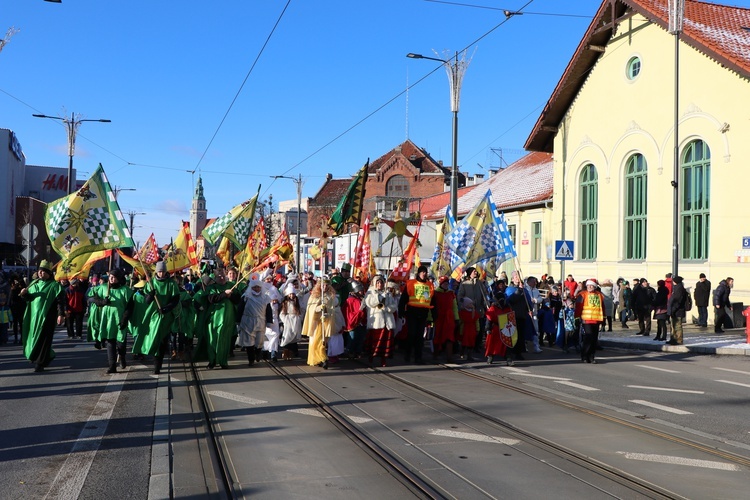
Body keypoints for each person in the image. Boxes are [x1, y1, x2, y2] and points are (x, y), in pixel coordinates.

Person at [133, 261, 181, 375]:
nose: (161, 273)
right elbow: (146, 300)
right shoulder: (151, 283)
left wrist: (166, 308)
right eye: (159, 271)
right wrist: (150, 295)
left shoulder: (171, 283)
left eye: (163, 271)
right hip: (154, 316)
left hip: (166, 316)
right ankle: (154, 362)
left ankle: (158, 365)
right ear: (156, 272)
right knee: (154, 339)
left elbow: (175, 299)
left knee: (163, 340)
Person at [19, 260, 66, 372]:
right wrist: (24, 294)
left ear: (49, 273)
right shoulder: (34, 284)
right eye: (40, 271)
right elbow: (29, 299)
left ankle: (40, 363)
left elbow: (60, 302)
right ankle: (38, 355)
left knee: (44, 340)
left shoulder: (55, 286)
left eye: (44, 271)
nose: (41, 273)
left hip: (48, 317)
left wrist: (61, 314)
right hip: (34, 318)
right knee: (34, 337)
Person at [89, 269, 134, 373]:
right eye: (110, 277)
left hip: (119, 319)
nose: (111, 279)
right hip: (107, 320)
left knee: (121, 343)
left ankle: (122, 356)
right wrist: (102, 302)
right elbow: (93, 298)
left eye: (114, 277)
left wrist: (124, 319)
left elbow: (129, 307)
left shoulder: (125, 290)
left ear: (119, 278)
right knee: (110, 342)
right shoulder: (104, 287)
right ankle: (112, 365)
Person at [398, 265, 434, 365]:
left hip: (423, 314)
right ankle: (408, 354)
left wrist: (434, 316)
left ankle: (418, 357)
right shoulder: (410, 283)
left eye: (425, 272)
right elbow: (403, 299)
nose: (424, 273)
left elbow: (432, 301)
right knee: (411, 335)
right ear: (418, 273)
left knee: (419, 337)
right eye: (422, 272)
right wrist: (401, 312)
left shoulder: (430, 285)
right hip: (412, 313)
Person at [302, 275, 337, 369]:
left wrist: (327, 311)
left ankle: (321, 359)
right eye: (323, 285)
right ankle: (323, 359)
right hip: (316, 323)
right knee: (316, 342)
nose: (324, 287)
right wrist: (318, 308)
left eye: (326, 286)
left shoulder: (330, 296)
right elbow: (310, 309)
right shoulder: (315, 295)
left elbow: (332, 308)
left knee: (323, 342)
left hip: (326, 322)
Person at [363, 274, 397, 367]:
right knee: (375, 342)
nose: (379, 284)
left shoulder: (388, 293)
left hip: (387, 321)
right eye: (377, 282)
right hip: (376, 322)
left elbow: (394, 306)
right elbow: (370, 303)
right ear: (374, 283)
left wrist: (388, 308)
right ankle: (371, 356)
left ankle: (384, 359)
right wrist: (379, 298)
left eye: (381, 282)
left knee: (386, 343)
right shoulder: (370, 293)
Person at [238, 278, 271, 366]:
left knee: (259, 340)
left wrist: (269, 321)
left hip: (260, 321)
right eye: (254, 287)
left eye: (258, 287)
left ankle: (258, 352)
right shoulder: (246, 297)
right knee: (249, 341)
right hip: (248, 321)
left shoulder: (265, 298)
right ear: (251, 288)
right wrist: (238, 320)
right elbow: (240, 309)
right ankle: (251, 359)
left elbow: (268, 310)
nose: (256, 289)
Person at [574, 279, 605, 364]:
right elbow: (578, 307)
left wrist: (604, 319)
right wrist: (576, 318)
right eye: (588, 285)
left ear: (595, 286)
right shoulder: (582, 295)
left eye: (591, 285)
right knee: (588, 337)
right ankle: (584, 356)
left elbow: (602, 307)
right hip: (586, 319)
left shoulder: (599, 295)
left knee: (594, 339)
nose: (590, 287)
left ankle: (591, 357)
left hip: (596, 320)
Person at [432, 276, 459, 363]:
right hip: (439, 317)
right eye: (444, 283)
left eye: (447, 283)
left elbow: (454, 307)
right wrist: (431, 318)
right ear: (440, 284)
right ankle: (435, 354)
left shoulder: (451, 293)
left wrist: (456, 318)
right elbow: (431, 307)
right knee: (437, 336)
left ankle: (449, 357)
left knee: (449, 337)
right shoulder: (435, 293)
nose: (446, 285)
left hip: (449, 318)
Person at [484, 292, 515, 365]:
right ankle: (490, 357)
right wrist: (488, 328)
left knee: (506, 345)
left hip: (505, 329)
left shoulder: (508, 308)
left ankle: (508, 359)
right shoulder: (492, 308)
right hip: (495, 328)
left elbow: (511, 318)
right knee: (492, 345)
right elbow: (489, 319)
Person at [342, 281, 367, 359]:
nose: (361, 292)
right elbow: (347, 312)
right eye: (359, 290)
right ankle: (349, 351)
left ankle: (358, 351)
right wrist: (358, 314)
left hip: (362, 322)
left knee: (361, 338)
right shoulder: (350, 300)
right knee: (352, 338)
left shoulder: (363, 299)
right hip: (353, 322)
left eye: (362, 290)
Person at [279, 283, 302, 360]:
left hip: (295, 320)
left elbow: (300, 311)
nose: (292, 296)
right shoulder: (285, 303)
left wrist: (299, 318)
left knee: (293, 337)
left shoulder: (296, 302)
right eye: (290, 294)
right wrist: (285, 320)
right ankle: (286, 352)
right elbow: (282, 314)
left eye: (293, 294)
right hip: (288, 320)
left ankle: (291, 353)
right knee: (288, 336)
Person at [667, 276, 687, 345]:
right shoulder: (677, 288)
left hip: (678, 311)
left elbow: (677, 301)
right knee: (673, 325)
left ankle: (678, 339)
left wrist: (673, 310)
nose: (672, 282)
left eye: (673, 281)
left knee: (677, 326)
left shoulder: (679, 289)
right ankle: (673, 339)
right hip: (675, 310)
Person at [0, 272, 12, 345]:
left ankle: (4, 339)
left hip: (4, 307)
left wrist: (6, 302)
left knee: (4, 329)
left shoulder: (6, 285)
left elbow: (9, 295)